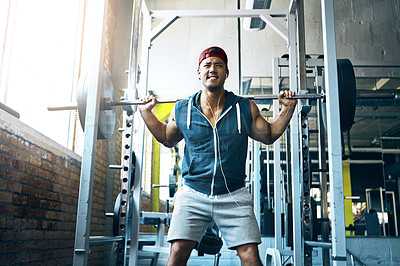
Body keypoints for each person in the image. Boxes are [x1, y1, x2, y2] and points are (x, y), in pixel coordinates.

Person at [139, 46, 297, 266]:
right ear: (199, 72)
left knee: (251, 255)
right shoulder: (183, 109)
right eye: (207, 65)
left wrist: (288, 109)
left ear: (226, 73)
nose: (212, 69)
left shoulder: (244, 107)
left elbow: (269, 134)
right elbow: (167, 137)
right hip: (193, 193)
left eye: (218, 65)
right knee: (176, 252)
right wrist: (146, 113)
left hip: (233, 195)